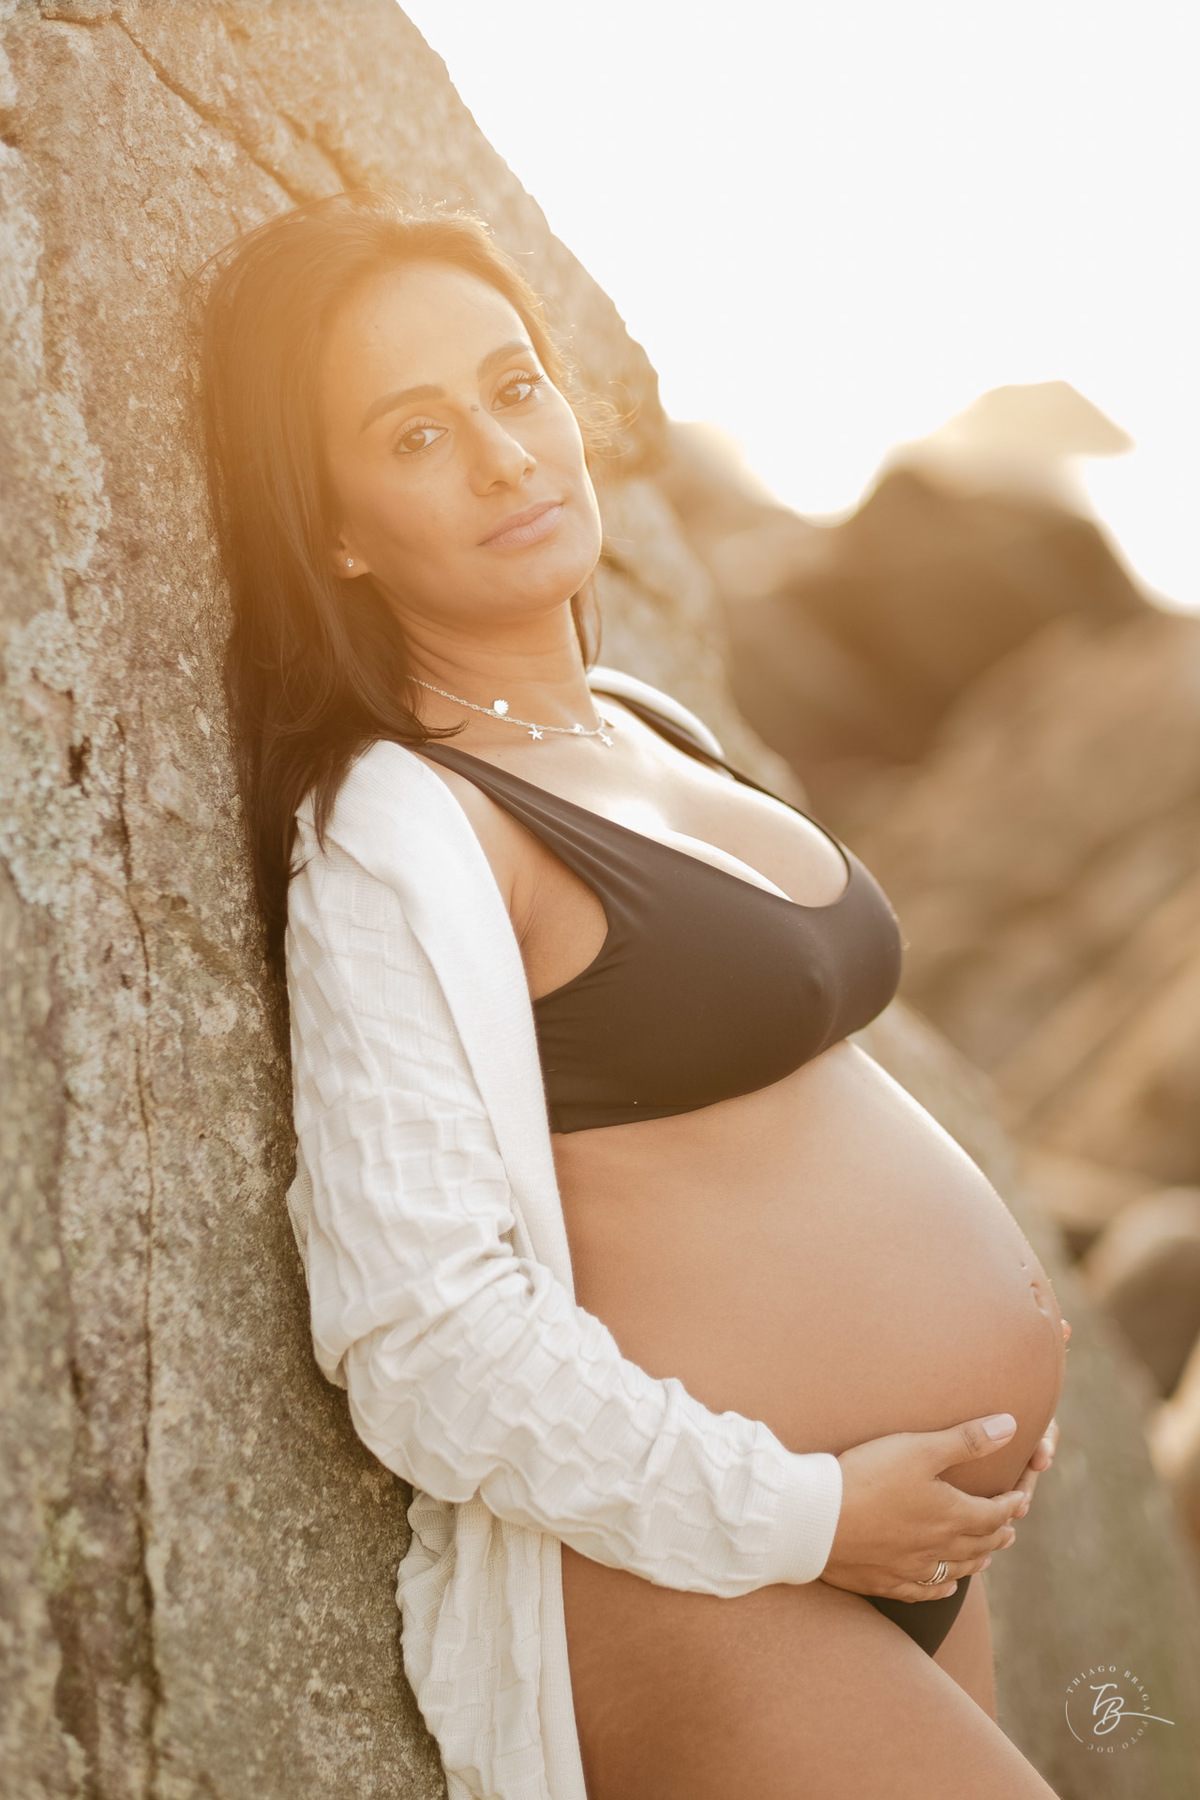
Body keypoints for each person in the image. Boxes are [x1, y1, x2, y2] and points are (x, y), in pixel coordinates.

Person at [199, 189, 1069, 1800]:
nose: (507, 454)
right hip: (708, 1578)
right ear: (334, 528)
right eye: (416, 435)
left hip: (899, 1539)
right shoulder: (402, 830)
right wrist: (812, 1512)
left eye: (515, 387)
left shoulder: (637, 716)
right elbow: (422, 1336)